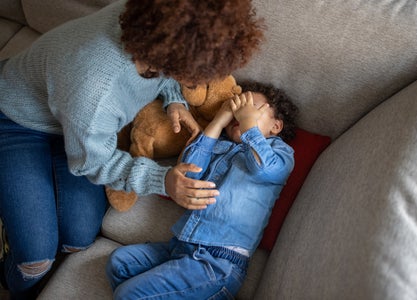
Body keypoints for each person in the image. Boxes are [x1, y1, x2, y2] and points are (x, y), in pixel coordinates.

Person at [0, 0, 264, 298]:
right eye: (196, 74)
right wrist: (161, 179)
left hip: (75, 127)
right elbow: (91, 163)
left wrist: (174, 98)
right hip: (15, 121)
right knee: (35, 261)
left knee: (78, 238)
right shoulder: (95, 86)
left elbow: (161, 73)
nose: (201, 81)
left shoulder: (153, 26)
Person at [106, 81, 299, 299]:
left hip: (218, 263)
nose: (240, 113)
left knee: (127, 294)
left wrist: (249, 125)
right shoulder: (220, 145)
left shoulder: (281, 153)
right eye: (236, 108)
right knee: (119, 263)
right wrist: (218, 122)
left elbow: (262, 167)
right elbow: (188, 175)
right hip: (181, 248)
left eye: (251, 108)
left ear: (276, 126)